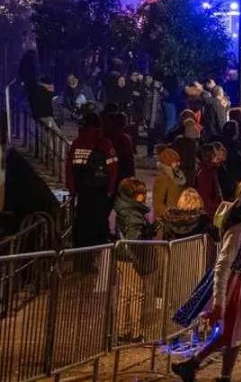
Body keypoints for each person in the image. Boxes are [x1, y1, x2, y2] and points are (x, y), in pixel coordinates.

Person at [172, 179, 241, 382]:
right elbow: (223, 264)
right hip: (233, 285)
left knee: (235, 335)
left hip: (240, 284)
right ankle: (195, 365)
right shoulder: (238, 229)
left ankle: (213, 372)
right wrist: (218, 301)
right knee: (231, 334)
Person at [113, 177, 156, 342]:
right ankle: (136, 333)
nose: (144, 196)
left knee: (125, 294)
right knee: (137, 294)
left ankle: (122, 330)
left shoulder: (123, 208)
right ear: (133, 194)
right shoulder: (132, 212)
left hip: (122, 255)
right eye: (141, 193)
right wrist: (147, 233)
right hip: (131, 258)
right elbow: (134, 238)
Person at [66, 111, 118, 247]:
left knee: (82, 221)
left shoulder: (77, 143)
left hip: (82, 190)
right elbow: (113, 168)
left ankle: (80, 253)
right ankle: (96, 251)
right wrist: (111, 189)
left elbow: (69, 167)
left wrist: (71, 188)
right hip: (100, 190)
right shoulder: (105, 143)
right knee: (98, 222)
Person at [153, 147, 187, 221]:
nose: (179, 164)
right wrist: (169, 215)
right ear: (168, 162)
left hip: (176, 216)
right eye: (175, 161)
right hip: (167, 220)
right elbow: (158, 203)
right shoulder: (163, 178)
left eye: (179, 161)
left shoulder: (176, 175)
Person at [194, 142, 225, 217]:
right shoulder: (205, 172)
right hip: (210, 213)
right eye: (214, 153)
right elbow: (205, 197)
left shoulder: (211, 169)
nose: (216, 155)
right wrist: (216, 210)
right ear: (209, 155)